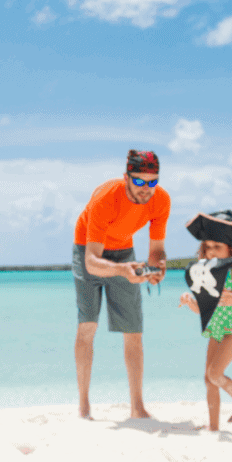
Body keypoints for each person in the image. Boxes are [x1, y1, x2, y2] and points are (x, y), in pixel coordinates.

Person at [71, 149, 170, 420]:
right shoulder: (106, 197)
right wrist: (122, 270)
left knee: (133, 330)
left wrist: (157, 268)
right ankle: (84, 405)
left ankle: (137, 406)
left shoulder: (161, 200)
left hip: (124, 249)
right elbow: (92, 262)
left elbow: (157, 250)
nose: (146, 189)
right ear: (126, 177)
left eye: (152, 181)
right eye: (139, 181)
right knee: (88, 325)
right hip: (88, 249)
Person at [179, 209, 232, 431]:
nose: (211, 252)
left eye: (217, 247)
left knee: (215, 374)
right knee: (208, 379)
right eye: (207, 247)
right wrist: (190, 302)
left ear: (230, 250)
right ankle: (213, 427)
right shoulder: (204, 277)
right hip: (215, 329)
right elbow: (203, 310)